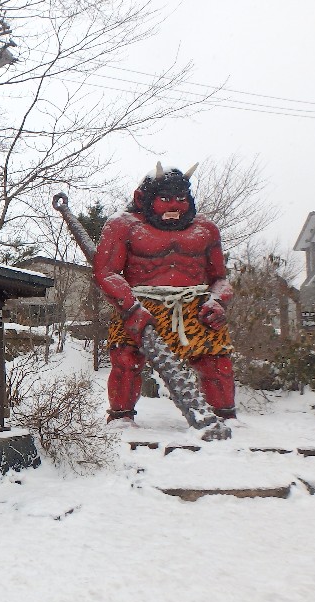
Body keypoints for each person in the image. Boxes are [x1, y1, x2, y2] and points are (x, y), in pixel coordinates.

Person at [93, 163, 236, 422]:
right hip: (139, 304)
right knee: (126, 361)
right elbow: (107, 272)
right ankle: (121, 419)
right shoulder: (122, 226)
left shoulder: (206, 229)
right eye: (165, 199)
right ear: (143, 198)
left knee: (217, 363)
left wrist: (218, 301)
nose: (175, 206)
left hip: (196, 307)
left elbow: (220, 279)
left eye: (181, 199)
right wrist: (130, 307)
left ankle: (226, 417)